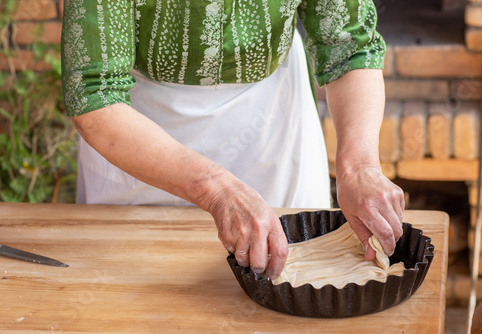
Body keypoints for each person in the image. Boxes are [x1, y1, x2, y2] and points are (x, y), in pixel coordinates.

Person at [61, 0, 404, 281]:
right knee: (138, 297)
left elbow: (348, 48)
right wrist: (216, 190)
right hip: (139, 132)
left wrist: (359, 166)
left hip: (271, 126)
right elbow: (94, 92)